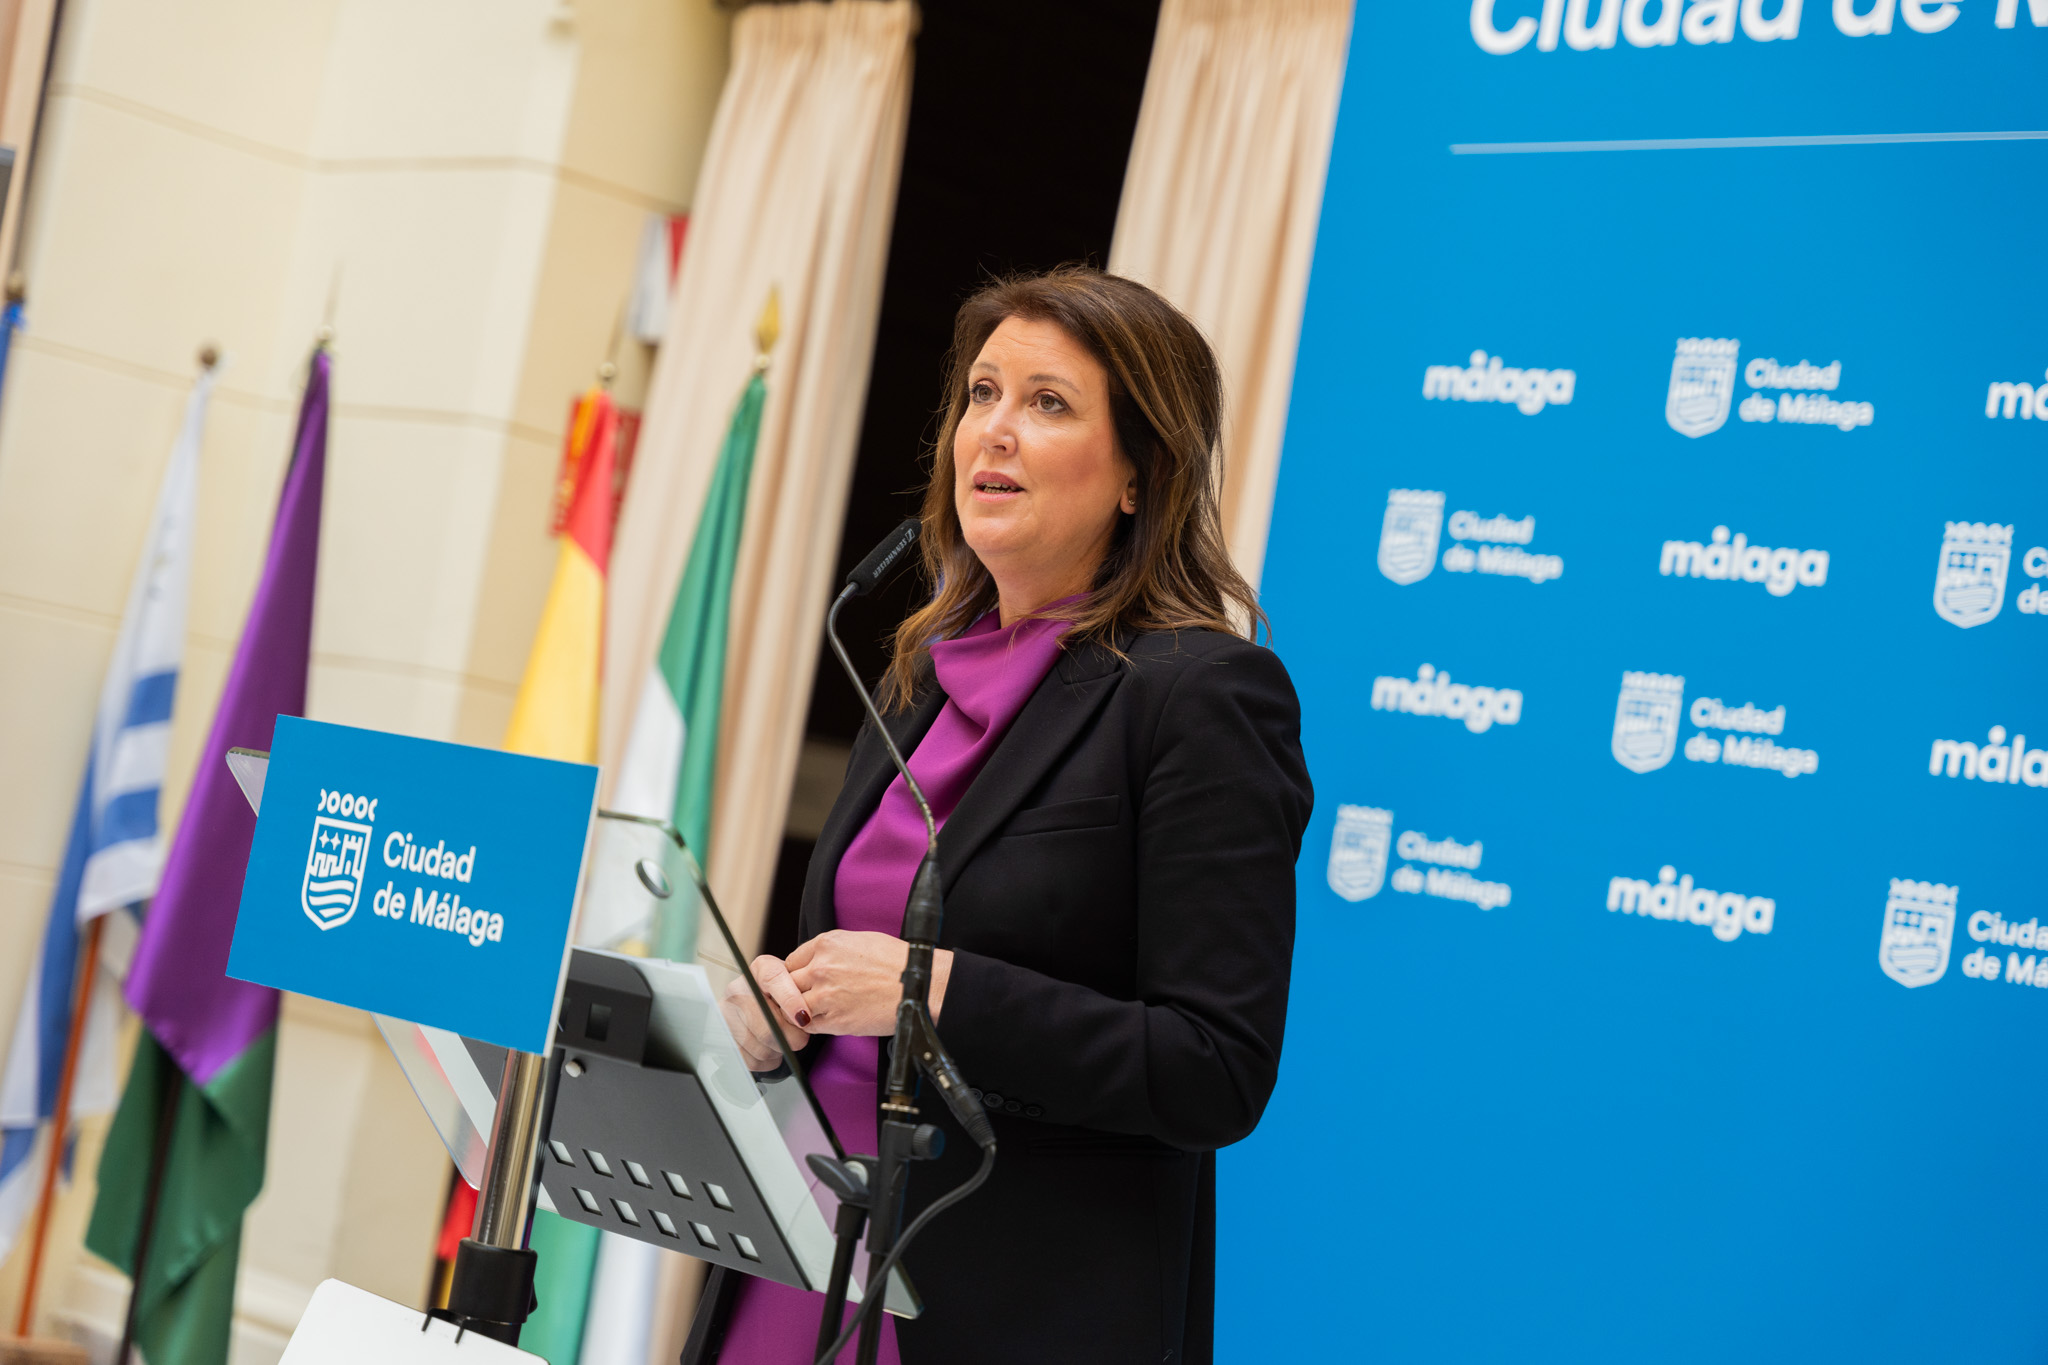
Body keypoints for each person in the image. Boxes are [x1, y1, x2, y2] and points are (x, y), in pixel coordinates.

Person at [712, 266, 1313, 1364]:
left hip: (1008, 1303)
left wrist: (933, 991)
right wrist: (777, 1014)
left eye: (1047, 403)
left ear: (1138, 475)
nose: (993, 429)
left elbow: (1213, 1066)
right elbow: (856, 965)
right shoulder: (917, 673)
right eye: (982, 394)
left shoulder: (1199, 695)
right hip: (803, 1244)